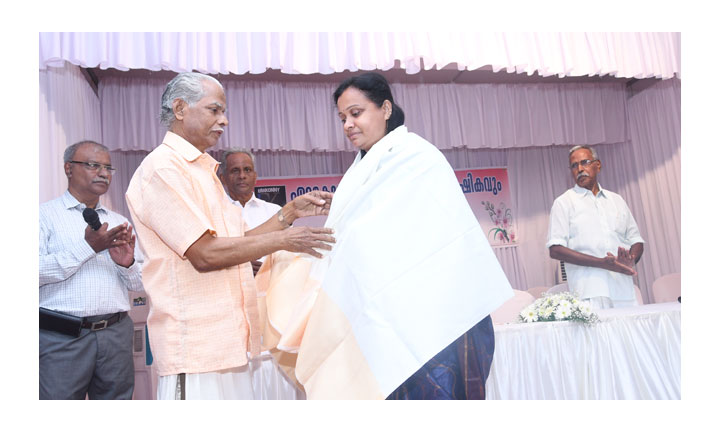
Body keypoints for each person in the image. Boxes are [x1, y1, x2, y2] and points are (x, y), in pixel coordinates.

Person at [257, 72, 513, 399]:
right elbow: (357, 234)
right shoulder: (363, 166)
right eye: (342, 118)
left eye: (356, 113)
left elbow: (399, 234)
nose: (348, 124)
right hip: (391, 316)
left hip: (438, 314)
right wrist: (293, 247)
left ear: (386, 109)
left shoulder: (415, 156)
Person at [125, 72, 335, 400]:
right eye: (214, 110)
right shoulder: (163, 170)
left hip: (231, 345)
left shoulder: (202, 171)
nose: (224, 121)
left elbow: (237, 242)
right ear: (180, 108)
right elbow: (205, 254)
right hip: (196, 349)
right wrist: (285, 240)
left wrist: (288, 213)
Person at [39, 140, 144, 399]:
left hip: (116, 335)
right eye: (93, 165)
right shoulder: (43, 216)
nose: (103, 173)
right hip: (61, 337)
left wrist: (127, 264)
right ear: (68, 168)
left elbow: (140, 284)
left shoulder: (119, 221)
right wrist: (89, 248)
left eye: (108, 168)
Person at [546, 145, 645, 309]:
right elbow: (555, 249)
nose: (579, 169)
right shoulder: (564, 202)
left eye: (584, 162)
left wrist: (630, 259)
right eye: (574, 165)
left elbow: (637, 240)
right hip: (589, 293)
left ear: (597, 165)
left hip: (623, 290)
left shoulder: (617, 200)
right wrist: (601, 263)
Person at [218, 149, 281, 275]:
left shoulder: (275, 211)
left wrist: (269, 267)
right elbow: (209, 255)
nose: (242, 176)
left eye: (247, 170)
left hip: (272, 287)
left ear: (255, 176)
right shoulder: (214, 213)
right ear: (223, 178)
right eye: (235, 170)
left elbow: (289, 253)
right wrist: (240, 266)